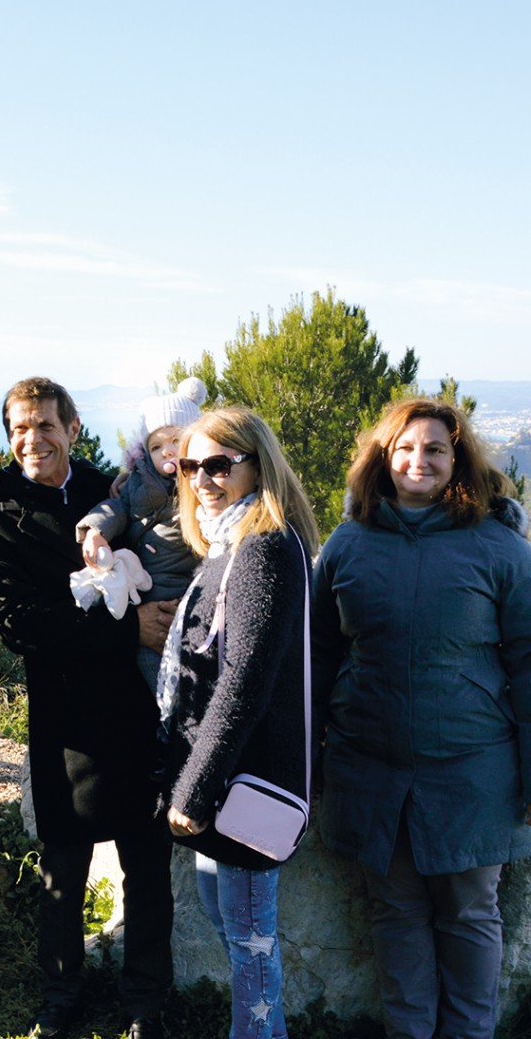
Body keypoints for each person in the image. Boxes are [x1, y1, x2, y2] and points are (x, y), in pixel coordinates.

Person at [313, 398, 531, 1039]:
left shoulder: (498, 547)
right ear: (382, 459)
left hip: (472, 773)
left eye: (435, 449)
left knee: (468, 914)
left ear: (457, 460)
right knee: (394, 912)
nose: (418, 460)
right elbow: (321, 654)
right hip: (370, 770)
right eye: (404, 448)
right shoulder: (348, 544)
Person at [0, 376, 174, 1039]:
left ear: (73, 429)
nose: (34, 440)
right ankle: (60, 994)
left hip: (141, 707)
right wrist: (129, 628)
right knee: (64, 866)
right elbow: (25, 626)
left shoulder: (112, 493)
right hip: (66, 716)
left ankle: (146, 999)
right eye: (20, 429)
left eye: (46, 426)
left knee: (147, 863)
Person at [160, 406, 319, 1039]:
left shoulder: (262, 550)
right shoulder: (231, 545)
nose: (202, 478)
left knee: (252, 954)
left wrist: (195, 789)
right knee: (232, 926)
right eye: (190, 465)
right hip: (229, 775)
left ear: (258, 467)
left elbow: (244, 685)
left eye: (220, 464)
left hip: (242, 780)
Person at [77, 377, 207, 693]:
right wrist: (94, 530)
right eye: (156, 446)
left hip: (188, 589)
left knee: (196, 667)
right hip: (151, 591)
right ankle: (169, 722)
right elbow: (117, 508)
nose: (166, 453)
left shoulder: (203, 483)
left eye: (175, 442)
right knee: (151, 663)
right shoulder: (135, 481)